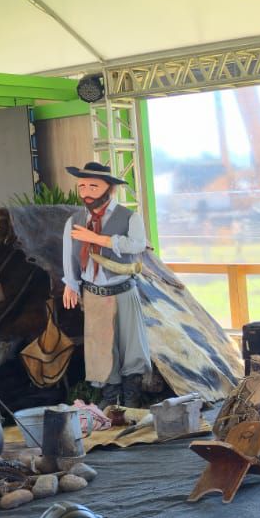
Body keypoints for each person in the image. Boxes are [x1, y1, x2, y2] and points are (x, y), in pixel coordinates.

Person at [61, 161, 151, 409]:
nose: (86, 193)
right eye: (81, 186)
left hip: (123, 290)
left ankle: (132, 401)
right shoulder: (75, 220)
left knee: (131, 345)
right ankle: (110, 403)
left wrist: (99, 239)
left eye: (93, 186)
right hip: (94, 294)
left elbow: (137, 245)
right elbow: (69, 255)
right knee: (101, 348)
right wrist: (71, 284)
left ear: (109, 189)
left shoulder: (130, 217)